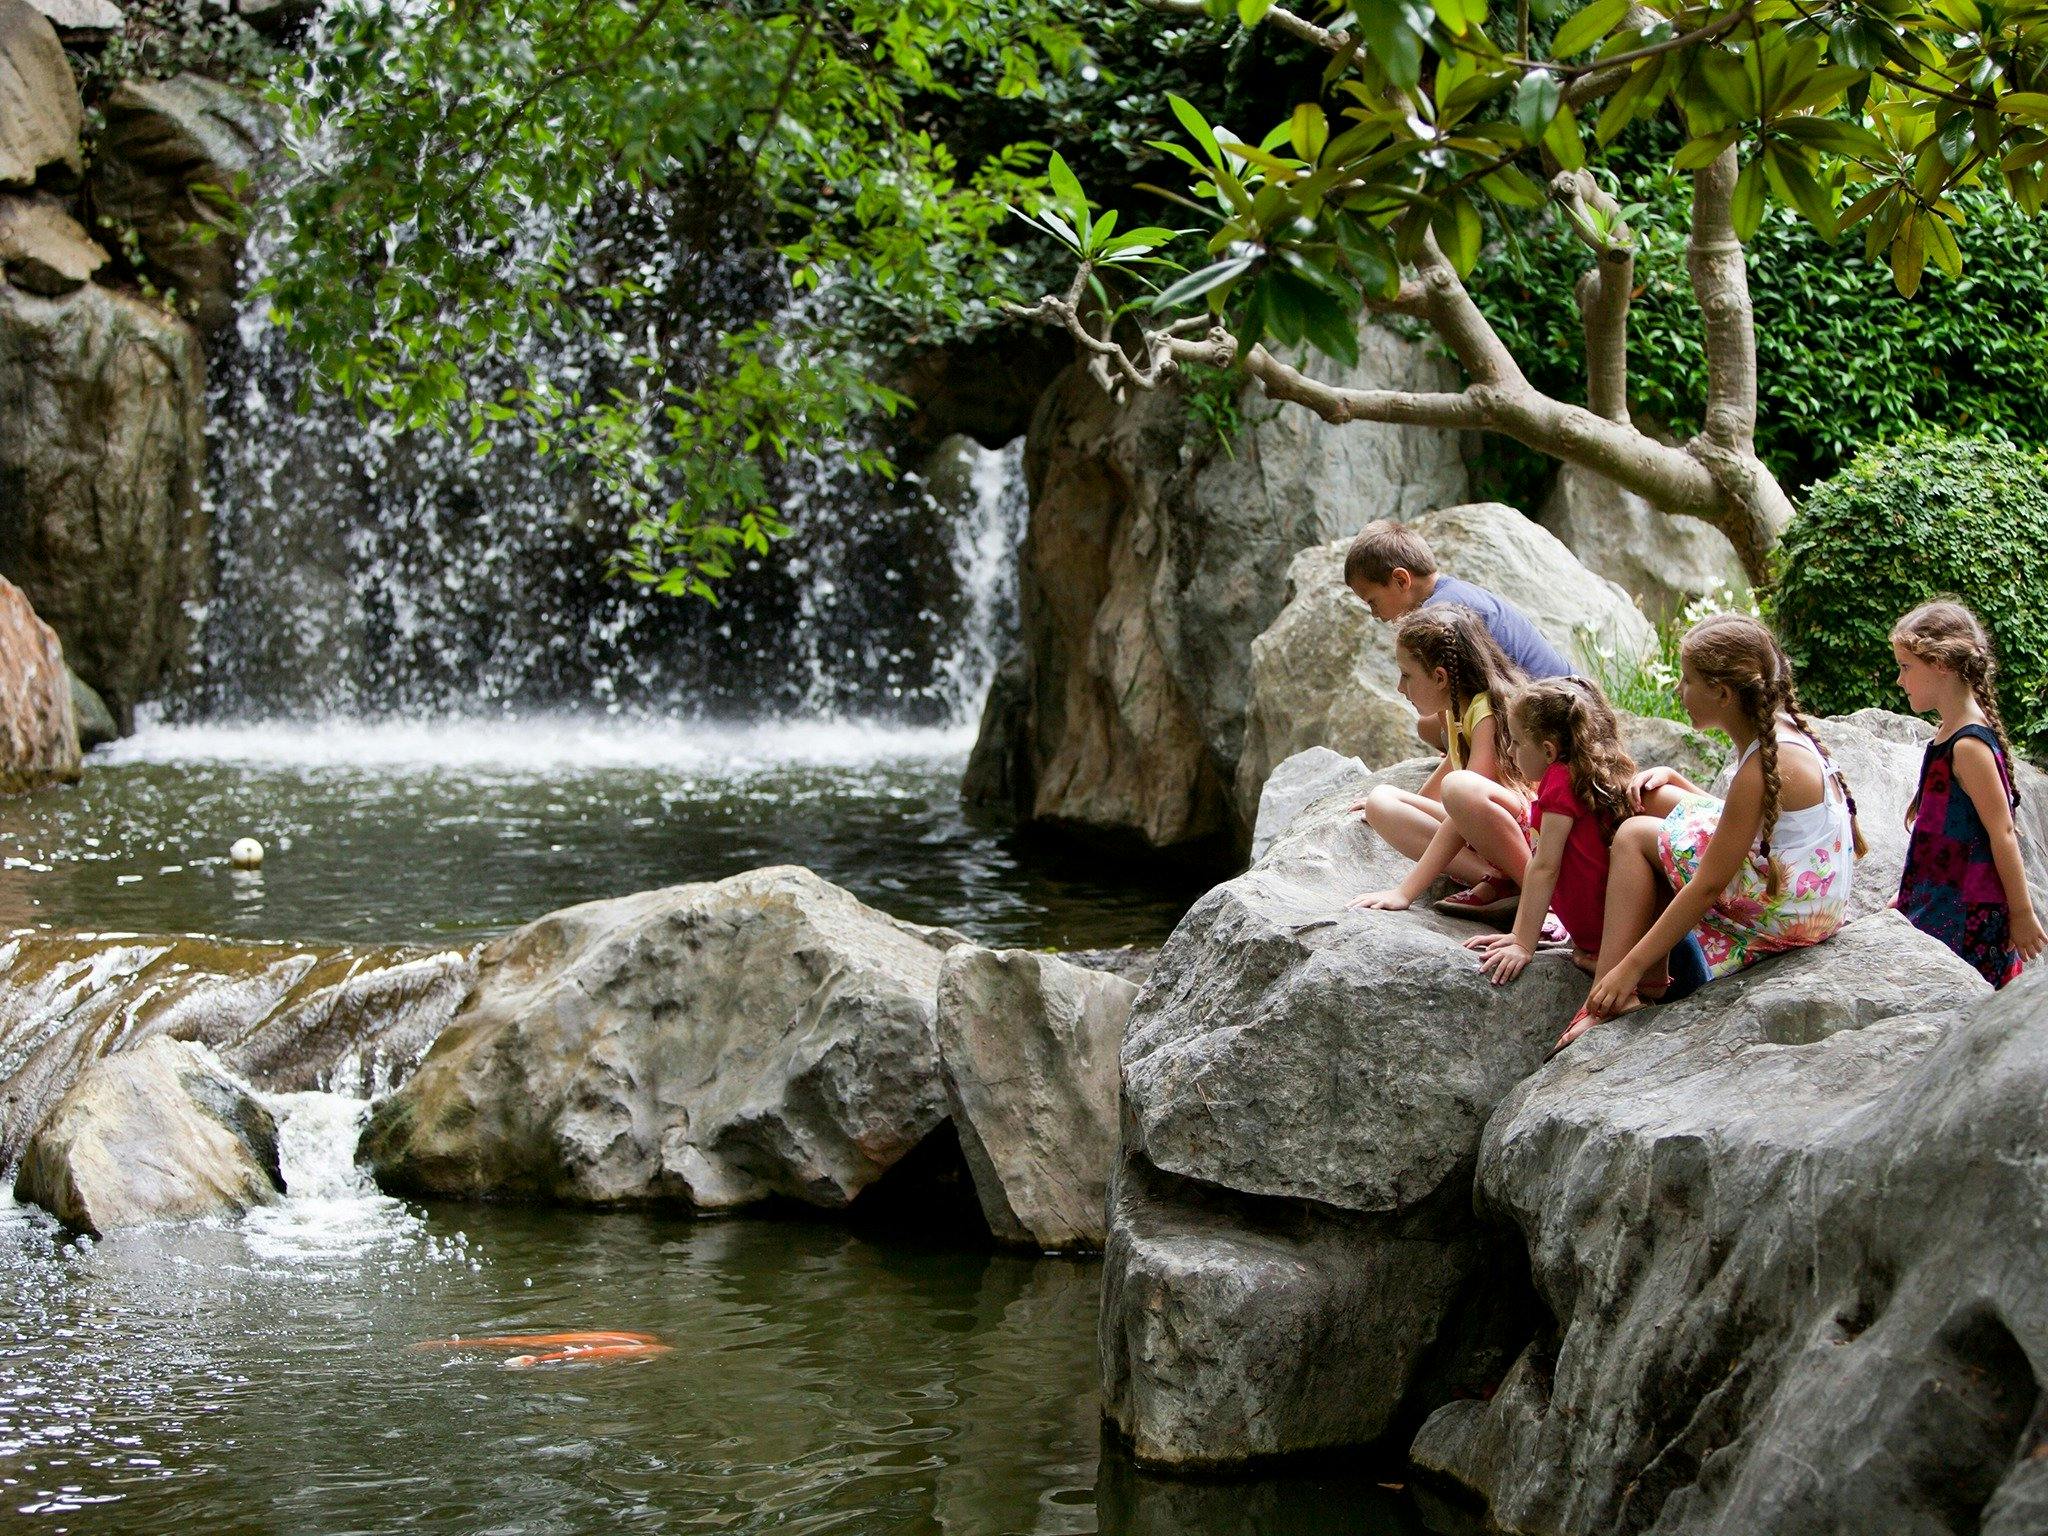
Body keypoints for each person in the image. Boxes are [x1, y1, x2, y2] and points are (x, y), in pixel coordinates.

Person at [1551, 614, 1865, 1056]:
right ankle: (1630, 954)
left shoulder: (1761, 767)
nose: (1679, 691)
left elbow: (1710, 885)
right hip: (1813, 894)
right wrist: (1681, 784)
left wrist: (1627, 966)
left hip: (1790, 912)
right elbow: (1751, 819)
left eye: (1687, 680)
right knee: (1657, 796)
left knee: (1635, 834)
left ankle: (1620, 988)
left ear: (1722, 692)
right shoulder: (1778, 732)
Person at [1890, 599, 2044, 987]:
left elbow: (2003, 832)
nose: (1899, 680)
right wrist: (1909, 896)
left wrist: (2022, 914)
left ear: (1941, 664)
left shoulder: (1969, 746)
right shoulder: (1947, 733)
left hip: (1967, 917)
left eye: (1906, 668)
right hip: (1939, 902)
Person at [1349, 606, 1530, 915]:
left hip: (1519, 834)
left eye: (1407, 676)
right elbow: (1453, 764)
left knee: (1455, 792)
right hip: (1480, 827)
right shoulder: (1457, 708)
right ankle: (1495, 878)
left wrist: (1406, 891)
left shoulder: (1486, 712)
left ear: (1439, 677)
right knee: (1381, 801)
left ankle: (1518, 880)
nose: (1400, 687)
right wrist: (1409, 808)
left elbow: (1464, 802)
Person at [1343, 520, 1574, 684]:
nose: (1374, 613)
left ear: (1401, 580)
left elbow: (1486, 700)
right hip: (1560, 702)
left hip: (1563, 717)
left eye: (1372, 601)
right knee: (1429, 727)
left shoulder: (1443, 614)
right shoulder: (1453, 593)